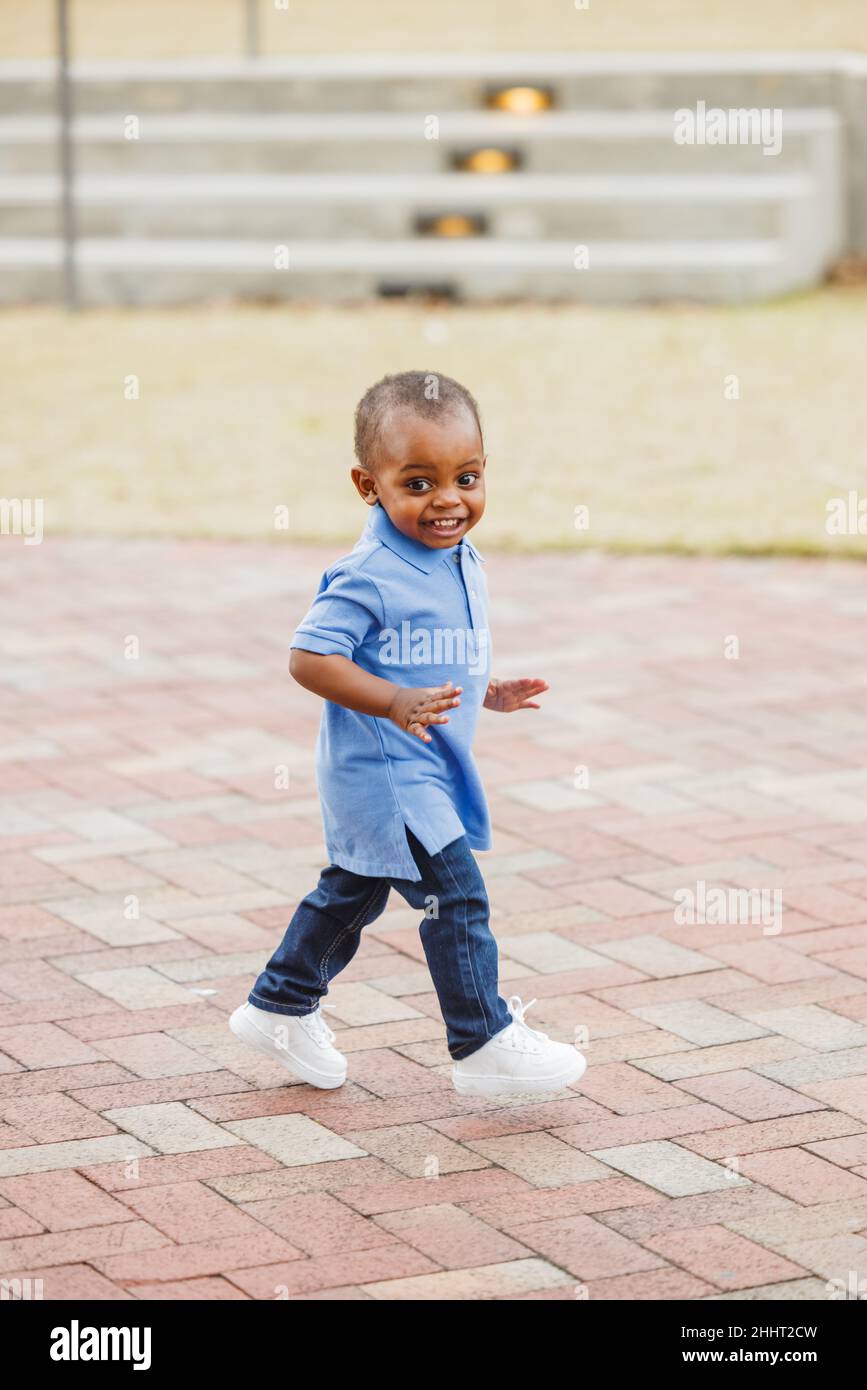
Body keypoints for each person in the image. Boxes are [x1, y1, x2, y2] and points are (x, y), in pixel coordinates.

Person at [230, 370, 587, 1097]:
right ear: (369, 486)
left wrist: (484, 691)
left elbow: (423, 652)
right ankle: (482, 1042)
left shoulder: (453, 555)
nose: (448, 499)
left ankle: (279, 1005)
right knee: (456, 900)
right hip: (388, 774)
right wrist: (392, 702)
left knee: (353, 893)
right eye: (418, 483)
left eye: (467, 476)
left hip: (418, 763)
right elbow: (309, 658)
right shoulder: (369, 572)